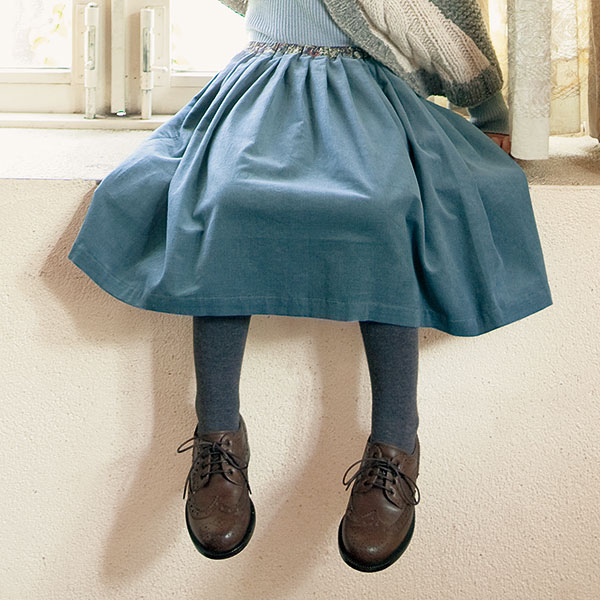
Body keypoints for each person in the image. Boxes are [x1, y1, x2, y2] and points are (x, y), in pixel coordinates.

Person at [68, 0, 553, 573]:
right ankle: (218, 431)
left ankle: (396, 442)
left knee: (387, 209)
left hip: (366, 91)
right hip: (261, 86)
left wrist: (490, 108)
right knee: (224, 202)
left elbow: (445, 12)